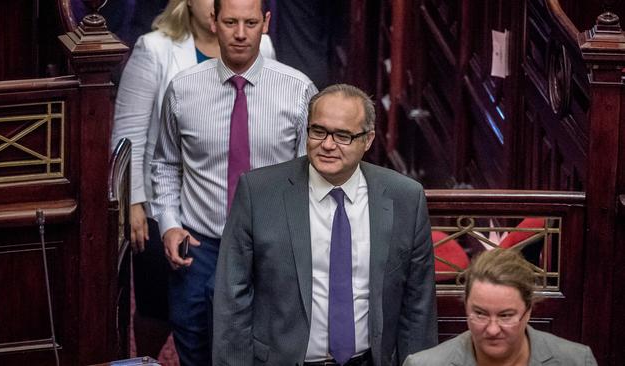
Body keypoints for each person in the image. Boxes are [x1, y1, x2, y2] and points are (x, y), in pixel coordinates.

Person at [213, 84, 438, 365]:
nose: (328, 145)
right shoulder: (258, 192)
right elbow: (233, 297)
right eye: (318, 131)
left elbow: (418, 305)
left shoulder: (405, 197)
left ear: (367, 140)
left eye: (343, 135)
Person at [149, 0, 317, 364]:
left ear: (266, 23)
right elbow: (164, 163)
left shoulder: (298, 90)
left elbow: (312, 176)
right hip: (199, 247)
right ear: (213, 22)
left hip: (268, 248)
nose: (241, 34)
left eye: (250, 22)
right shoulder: (183, 89)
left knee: (265, 352)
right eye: (230, 22)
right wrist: (169, 225)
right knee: (194, 348)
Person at [111, 0, 276, 360]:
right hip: (162, 202)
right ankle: (149, 359)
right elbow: (129, 132)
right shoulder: (155, 48)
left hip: (230, 198)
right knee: (159, 304)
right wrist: (133, 202)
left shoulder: (258, 44)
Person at [404, 249, 597, 366]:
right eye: (480, 314)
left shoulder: (576, 360)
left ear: (528, 311)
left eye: (506, 316)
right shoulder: (424, 364)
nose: (493, 329)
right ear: (466, 308)